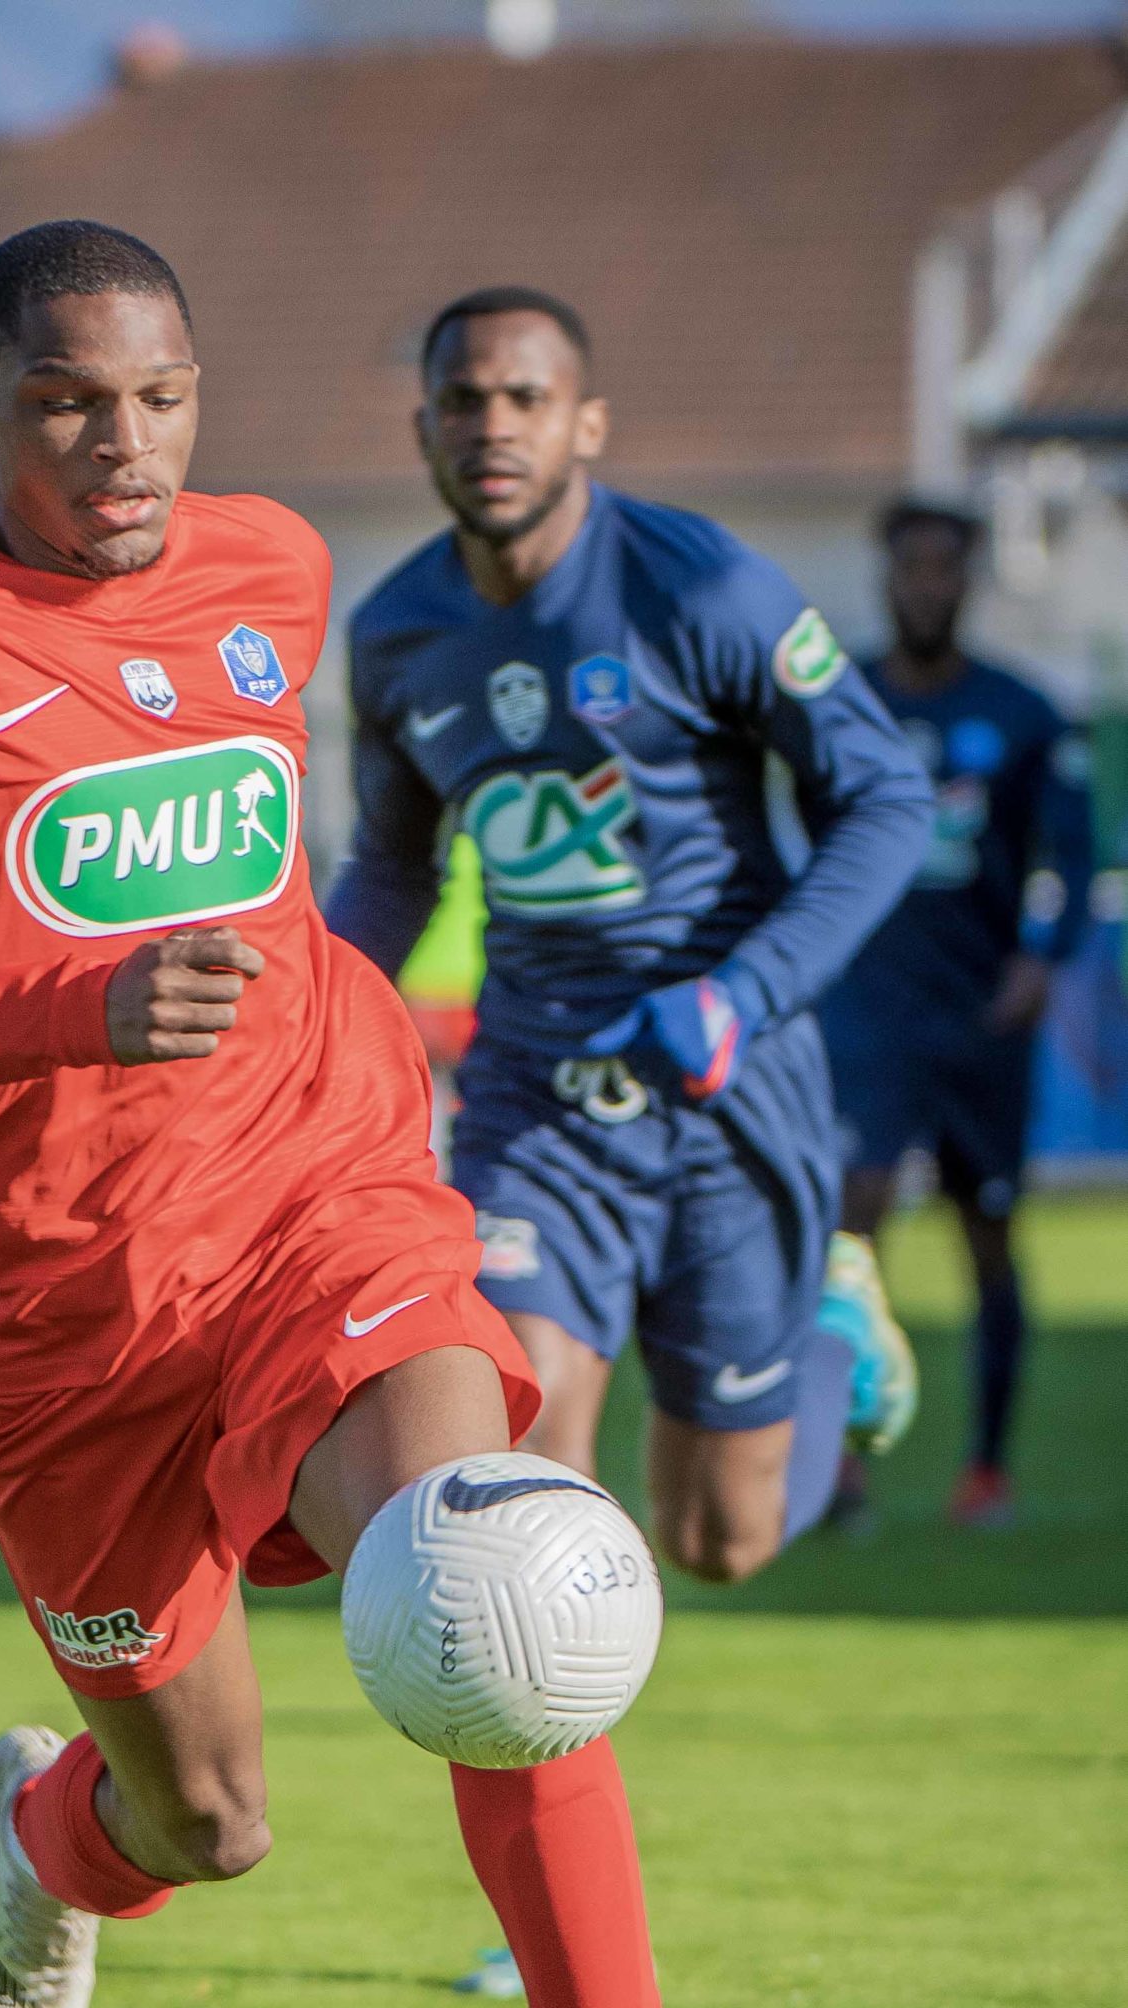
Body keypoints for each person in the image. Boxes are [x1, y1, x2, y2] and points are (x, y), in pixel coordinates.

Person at [0, 224, 783, 2008]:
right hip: (69, 1323)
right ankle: (41, 1841)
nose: (121, 446)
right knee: (202, 1822)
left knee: (494, 1583)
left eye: (159, 397)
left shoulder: (270, 568)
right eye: (64, 403)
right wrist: (73, 1005)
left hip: (327, 1206)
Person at [329, 286, 931, 1588]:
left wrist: (738, 996)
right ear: (423, 428)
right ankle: (540, 1694)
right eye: (462, 401)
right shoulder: (394, 634)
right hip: (534, 1098)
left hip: (729, 1086)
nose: (492, 425)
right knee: (513, 1474)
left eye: (525, 399)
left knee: (720, 1540)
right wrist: (311, 1018)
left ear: (586, 424)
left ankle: (832, 1325)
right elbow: (392, 865)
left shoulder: (699, 584)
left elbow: (885, 797)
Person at [821, 499, 1094, 1527]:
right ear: (887, 575)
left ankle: (986, 1469)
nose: (927, 586)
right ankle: (838, 1465)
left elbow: (1071, 855)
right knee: (852, 1225)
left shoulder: (1021, 712)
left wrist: (1040, 957)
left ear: (968, 580)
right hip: (869, 1009)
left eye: (945, 568)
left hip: (980, 1019)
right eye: (912, 567)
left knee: (986, 1231)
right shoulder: (841, 701)